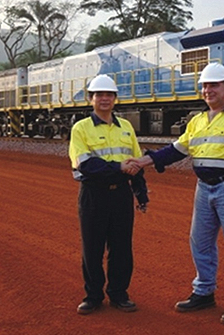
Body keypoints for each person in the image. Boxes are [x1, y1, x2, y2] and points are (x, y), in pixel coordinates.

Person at [130, 63, 224, 325]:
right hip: (203, 189)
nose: (208, 90)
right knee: (200, 242)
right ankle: (204, 291)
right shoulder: (197, 121)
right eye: (205, 86)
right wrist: (144, 161)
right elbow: (176, 150)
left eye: (214, 85)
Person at [68, 74, 149, 315]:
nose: (104, 98)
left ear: (115, 99)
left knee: (122, 247)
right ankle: (92, 296)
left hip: (121, 195)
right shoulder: (80, 128)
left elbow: (136, 162)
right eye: (99, 94)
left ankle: (119, 294)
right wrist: (118, 168)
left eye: (109, 94)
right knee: (92, 248)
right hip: (94, 195)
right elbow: (85, 165)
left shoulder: (126, 127)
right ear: (90, 99)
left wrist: (140, 192)